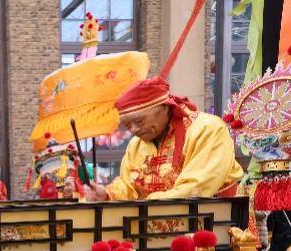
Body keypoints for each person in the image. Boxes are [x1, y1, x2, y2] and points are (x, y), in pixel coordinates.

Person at [86, 77, 243, 201]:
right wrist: (108, 194)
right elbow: (129, 186)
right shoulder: (136, 145)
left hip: (215, 226)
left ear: (164, 107)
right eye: (127, 125)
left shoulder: (208, 129)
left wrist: (148, 204)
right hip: (150, 224)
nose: (133, 130)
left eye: (139, 121)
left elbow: (196, 187)